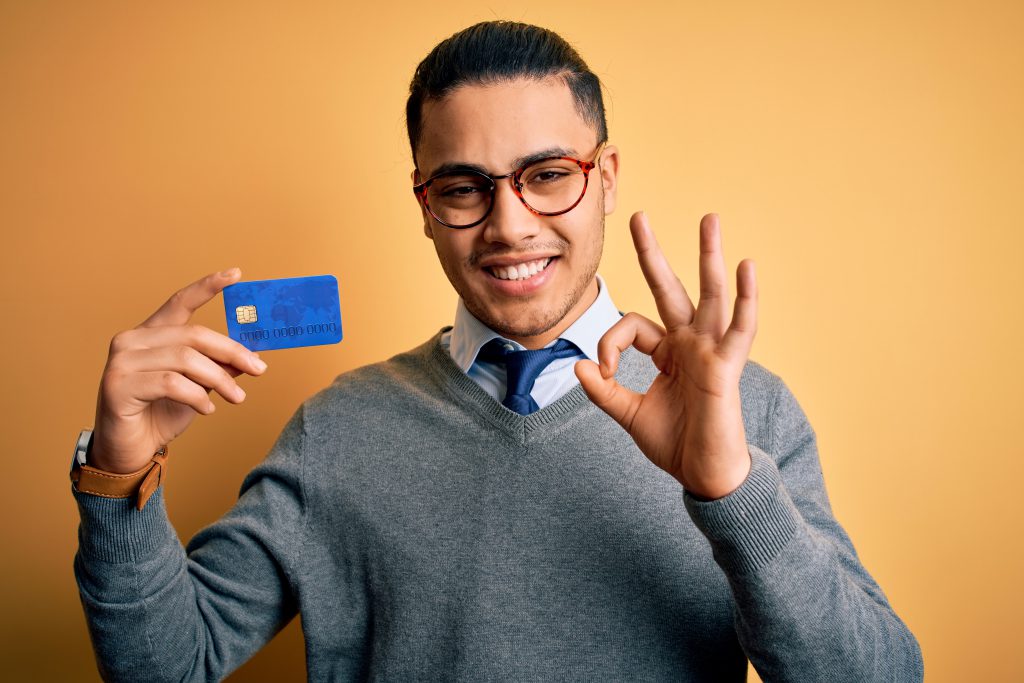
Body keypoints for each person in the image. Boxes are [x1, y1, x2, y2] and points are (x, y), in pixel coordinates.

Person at [70, 20, 923, 682]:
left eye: (548, 173)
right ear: (423, 202)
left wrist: (732, 489)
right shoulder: (338, 428)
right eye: (463, 188)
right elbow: (166, 665)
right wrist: (119, 471)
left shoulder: (746, 412)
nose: (510, 224)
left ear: (608, 176)